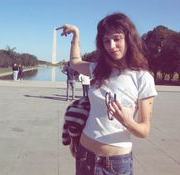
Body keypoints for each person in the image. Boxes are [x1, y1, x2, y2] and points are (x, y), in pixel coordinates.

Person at [57, 12, 157, 175]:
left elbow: (144, 130)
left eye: (117, 38)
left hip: (116, 164)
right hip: (85, 154)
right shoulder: (98, 69)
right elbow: (75, 62)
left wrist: (127, 121)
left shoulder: (142, 77)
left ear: (128, 39)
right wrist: (76, 33)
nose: (111, 45)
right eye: (106, 41)